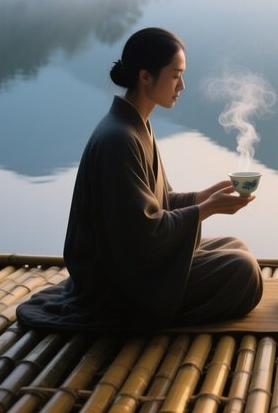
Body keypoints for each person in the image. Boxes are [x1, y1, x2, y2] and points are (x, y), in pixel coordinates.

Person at [18, 27, 263, 331]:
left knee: (236, 246)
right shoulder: (119, 138)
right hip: (115, 282)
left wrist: (203, 197)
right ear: (146, 77)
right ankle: (148, 317)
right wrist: (206, 209)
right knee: (243, 271)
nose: (182, 85)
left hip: (134, 261)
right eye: (175, 75)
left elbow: (156, 205)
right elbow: (140, 232)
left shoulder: (135, 125)